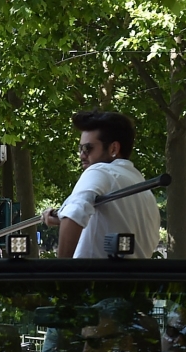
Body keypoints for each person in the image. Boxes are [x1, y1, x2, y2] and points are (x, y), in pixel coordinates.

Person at [40, 110, 161, 259]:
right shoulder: (143, 190)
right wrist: (61, 219)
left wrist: (61, 274)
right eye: (80, 148)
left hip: (94, 280)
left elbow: (74, 215)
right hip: (139, 280)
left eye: (88, 148)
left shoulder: (99, 170)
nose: (82, 155)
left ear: (113, 149)